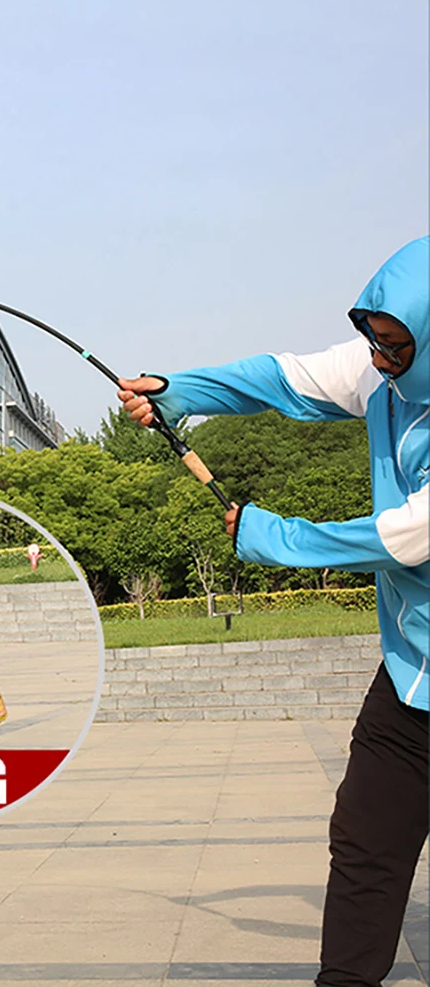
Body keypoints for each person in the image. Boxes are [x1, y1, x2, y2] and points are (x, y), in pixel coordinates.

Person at [117, 236, 428, 987]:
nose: (378, 359)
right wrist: (177, 392)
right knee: (363, 837)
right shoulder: (379, 372)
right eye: (373, 339)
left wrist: (272, 536)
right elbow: (282, 379)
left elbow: (406, 536)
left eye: (395, 347)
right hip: (413, 675)